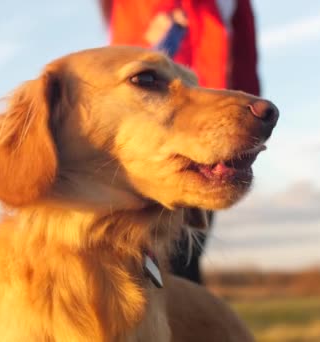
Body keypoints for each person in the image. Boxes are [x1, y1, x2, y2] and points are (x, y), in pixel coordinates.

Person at [99, 0, 261, 284]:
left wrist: (243, 119)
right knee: (135, 258)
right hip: (150, 132)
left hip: (215, 134)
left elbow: (245, 58)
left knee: (183, 259)